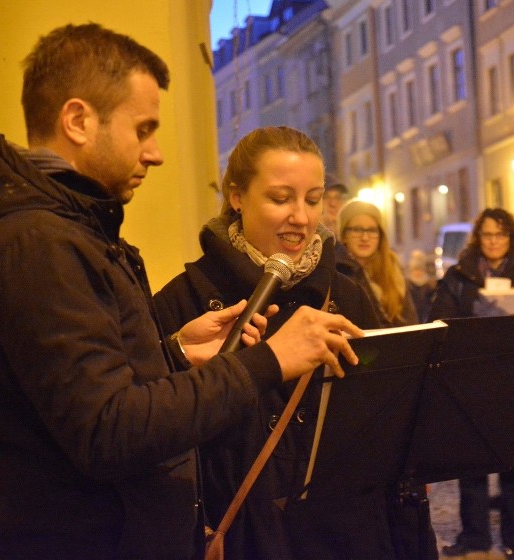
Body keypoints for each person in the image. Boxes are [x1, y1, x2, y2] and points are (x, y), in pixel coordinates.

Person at [0, 25, 362, 559]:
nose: (156, 153)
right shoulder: (37, 245)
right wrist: (267, 361)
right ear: (78, 121)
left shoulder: (71, 233)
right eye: (143, 129)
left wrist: (175, 356)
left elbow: (86, 396)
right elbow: (108, 433)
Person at [154, 126, 435, 559]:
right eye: (280, 198)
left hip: (345, 536)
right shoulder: (185, 300)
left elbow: (385, 417)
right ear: (237, 197)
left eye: (313, 198)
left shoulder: (347, 295)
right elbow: (155, 432)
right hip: (243, 536)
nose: (302, 218)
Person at [430, 208, 514, 559]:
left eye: (500, 234)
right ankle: (475, 535)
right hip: (474, 381)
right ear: (477, 237)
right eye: (487, 234)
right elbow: (440, 319)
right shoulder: (460, 275)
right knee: (472, 465)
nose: (493, 242)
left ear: (511, 238)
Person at [335, 199, 418, 327]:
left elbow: (410, 323)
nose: (365, 238)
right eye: (357, 230)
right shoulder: (336, 271)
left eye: (372, 230)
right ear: (344, 235)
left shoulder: (392, 270)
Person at [405, 249, 437, 324]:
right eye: (415, 269)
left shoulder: (429, 286)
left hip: (425, 320)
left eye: (420, 269)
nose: (418, 272)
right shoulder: (407, 286)